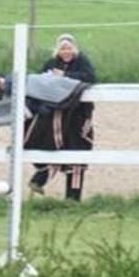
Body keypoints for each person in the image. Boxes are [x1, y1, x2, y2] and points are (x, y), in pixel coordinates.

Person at [29, 33, 97, 198]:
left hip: (78, 113)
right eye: (62, 49)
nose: (66, 52)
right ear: (57, 50)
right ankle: (40, 178)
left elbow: (90, 77)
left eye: (68, 48)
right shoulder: (51, 63)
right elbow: (40, 81)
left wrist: (64, 76)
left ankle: (71, 198)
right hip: (57, 113)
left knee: (78, 146)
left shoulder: (82, 62)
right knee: (53, 143)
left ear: (74, 49)